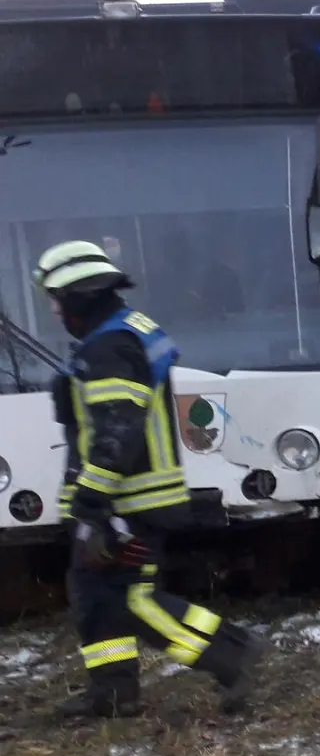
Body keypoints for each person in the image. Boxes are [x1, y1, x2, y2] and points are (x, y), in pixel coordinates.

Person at [35, 241, 265, 720]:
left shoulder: (109, 348)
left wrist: (93, 503)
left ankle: (233, 655)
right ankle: (113, 692)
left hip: (129, 503)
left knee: (133, 600)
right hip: (127, 498)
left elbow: (117, 428)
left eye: (57, 300)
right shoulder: (123, 332)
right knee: (94, 595)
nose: (54, 311)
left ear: (80, 297)